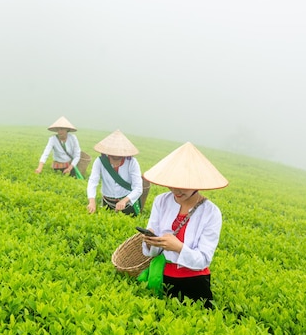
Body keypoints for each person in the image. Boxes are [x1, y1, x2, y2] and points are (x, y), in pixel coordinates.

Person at [139, 142, 228, 308]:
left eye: (183, 186)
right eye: (172, 184)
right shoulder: (161, 201)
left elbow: (204, 259)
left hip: (194, 282)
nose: (176, 190)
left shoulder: (211, 212)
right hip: (161, 276)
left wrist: (179, 247)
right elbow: (153, 251)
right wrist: (150, 241)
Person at [87, 130, 143, 216]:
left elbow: (138, 188)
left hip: (128, 203)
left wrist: (124, 200)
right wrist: (92, 201)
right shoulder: (100, 161)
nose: (115, 156)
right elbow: (93, 181)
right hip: (107, 202)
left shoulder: (132, 162)